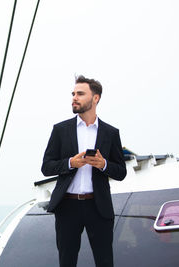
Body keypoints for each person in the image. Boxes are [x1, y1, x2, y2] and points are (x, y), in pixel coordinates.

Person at [41, 75, 127, 267]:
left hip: (98, 207)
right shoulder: (61, 130)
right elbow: (46, 167)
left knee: (105, 262)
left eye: (80, 94)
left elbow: (121, 172)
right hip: (67, 207)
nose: (74, 97)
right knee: (67, 262)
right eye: (73, 94)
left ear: (95, 98)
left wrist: (102, 164)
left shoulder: (110, 133)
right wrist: (70, 163)